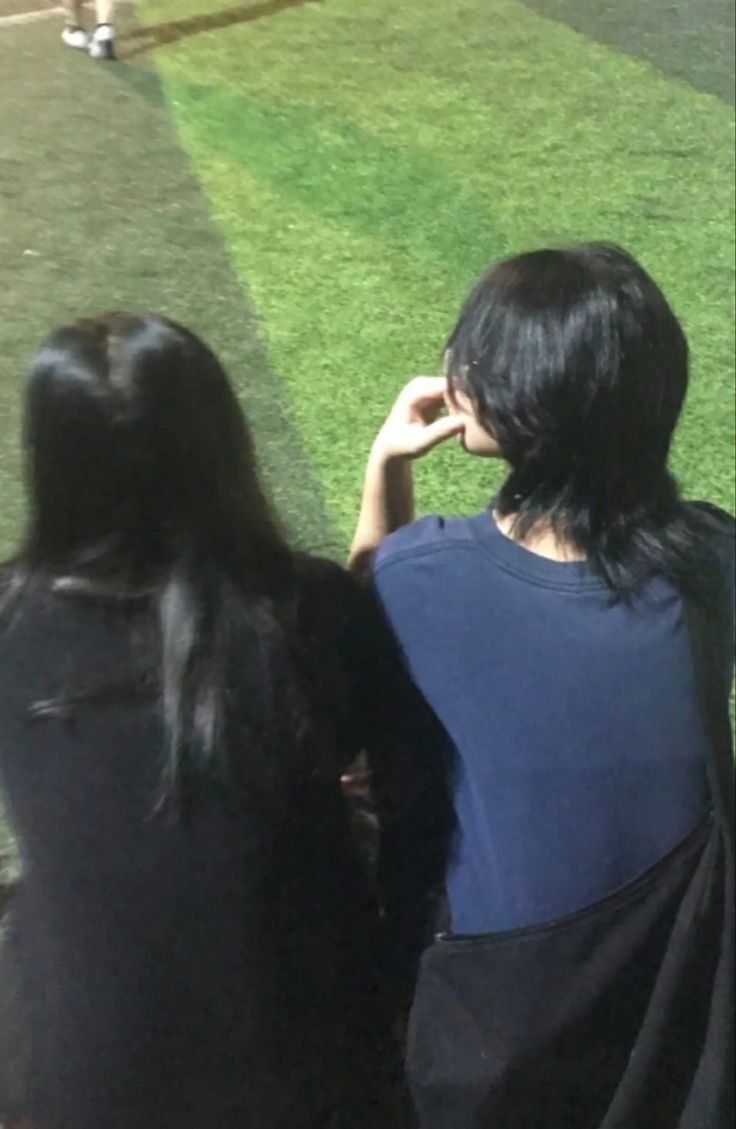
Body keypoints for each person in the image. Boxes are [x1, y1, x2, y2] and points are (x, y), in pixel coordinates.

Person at [0, 314, 433, 1129]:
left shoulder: (10, 622)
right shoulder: (304, 614)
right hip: (314, 1074)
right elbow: (380, 740)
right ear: (220, 448)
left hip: (78, 1078)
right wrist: (384, 475)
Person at [351, 243, 735, 1128]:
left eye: (481, 359)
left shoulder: (425, 575)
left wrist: (386, 471)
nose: (458, 369)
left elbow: (357, 649)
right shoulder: (715, 558)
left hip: (500, 1017)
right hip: (679, 1002)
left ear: (532, 409)